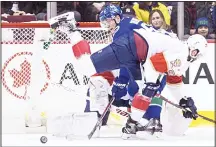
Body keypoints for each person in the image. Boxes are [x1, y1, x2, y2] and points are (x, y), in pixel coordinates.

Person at [48, 11, 208, 139]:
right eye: (196, 52)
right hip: (132, 47)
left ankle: (141, 121)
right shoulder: (180, 52)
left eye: (198, 54)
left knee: (143, 90)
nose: (196, 55)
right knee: (88, 67)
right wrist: (148, 85)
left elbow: (174, 83)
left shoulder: (181, 56)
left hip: (136, 54)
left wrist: (184, 101)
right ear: (192, 47)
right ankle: (72, 30)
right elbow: (154, 65)